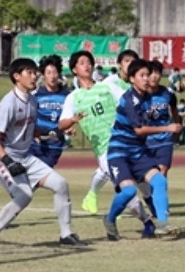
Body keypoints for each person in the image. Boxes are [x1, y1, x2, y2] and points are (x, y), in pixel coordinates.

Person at [0, 58, 86, 249]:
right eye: (29, 72)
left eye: (34, 71)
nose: (34, 75)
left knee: (61, 184)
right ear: (16, 77)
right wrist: (7, 161)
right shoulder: (8, 103)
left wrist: (51, 133)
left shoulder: (32, 100)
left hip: (25, 156)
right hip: (2, 157)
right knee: (24, 196)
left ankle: (66, 234)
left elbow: (31, 130)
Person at [58, 51, 155, 237]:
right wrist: (73, 119)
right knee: (128, 191)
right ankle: (148, 223)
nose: (87, 65)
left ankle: (153, 217)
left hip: (126, 142)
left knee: (144, 183)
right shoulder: (74, 97)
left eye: (89, 62)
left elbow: (128, 101)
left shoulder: (107, 87)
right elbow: (62, 124)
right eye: (82, 63)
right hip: (105, 151)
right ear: (74, 70)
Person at [103, 59, 182, 240]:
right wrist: (167, 128)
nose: (147, 79)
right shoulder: (129, 100)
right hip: (119, 152)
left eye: (149, 75)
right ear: (132, 79)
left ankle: (162, 224)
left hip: (138, 151)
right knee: (129, 191)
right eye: (142, 75)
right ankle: (109, 219)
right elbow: (139, 130)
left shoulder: (149, 97)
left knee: (160, 181)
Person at [29, 55, 71, 168]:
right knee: (29, 174)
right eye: (48, 73)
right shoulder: (35, 95)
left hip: (55, 144)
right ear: (43, 75)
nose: (52, 76)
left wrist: (70, 127)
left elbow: (73, 115)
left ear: (59, 74)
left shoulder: (68, 96)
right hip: (36, 142)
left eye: (54, 72)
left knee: (42, 174)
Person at [148, 60, 180, 176]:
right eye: (151, 73)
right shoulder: (139, 94)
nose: (154, 76)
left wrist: (177, 127)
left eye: (157, 73)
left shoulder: (168, 93)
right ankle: (149, 194)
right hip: (146, 141)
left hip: (164, 140)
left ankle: (160, 194)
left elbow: (175, 110)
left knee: (162, 171)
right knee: (148, 174)